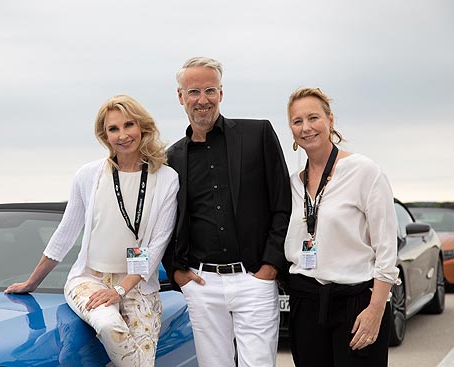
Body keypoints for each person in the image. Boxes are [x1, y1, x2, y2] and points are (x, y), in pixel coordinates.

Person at [5, 94, 179, 367]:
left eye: (128, 125)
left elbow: (156, 245)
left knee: (144, 359)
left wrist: (120, 290)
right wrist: (32, 282)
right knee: (110, 326)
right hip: (89, 279)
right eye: (113, 129)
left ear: (142, 127)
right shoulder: (88, 175)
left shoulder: (166, 179)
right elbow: (65, 233)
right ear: (104, 135)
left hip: (137, 285)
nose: (122, 135)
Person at [162, 56, 292, 367]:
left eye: (209, 90)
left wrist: (269, 268)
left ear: (221, 92)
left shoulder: (257, 135)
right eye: (193, 92)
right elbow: (163, 223)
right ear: (180, 96)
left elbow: (282, 203)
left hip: (254, 279)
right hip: (201, 284)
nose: (202, 100)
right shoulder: (171, 157)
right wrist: (178, 273)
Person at [284, 87, 399, 367]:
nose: (306, 127)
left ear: (330, 120)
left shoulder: (364, 171)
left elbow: (386, 249)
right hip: (306, 303)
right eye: (297, 121)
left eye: (313, 118)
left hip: (355, 303)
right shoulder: (292, 183)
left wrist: (375, 310)